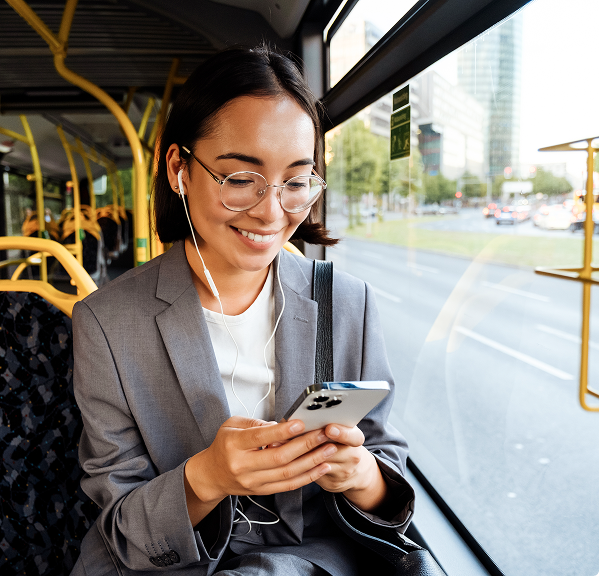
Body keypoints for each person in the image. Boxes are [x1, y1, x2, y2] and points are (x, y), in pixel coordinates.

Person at [71, 45, 414, 576]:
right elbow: (121, 525)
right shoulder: (107, 323)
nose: (271, 211)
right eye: (239, 179)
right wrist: (205, 478)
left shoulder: (347, 304)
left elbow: (387, 462)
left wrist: (360, 474)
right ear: (180, 169)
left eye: (296, 182)